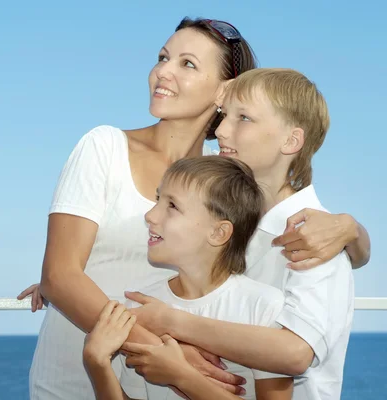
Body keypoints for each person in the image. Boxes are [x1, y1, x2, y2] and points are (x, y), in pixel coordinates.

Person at [18, 18, 371, 400]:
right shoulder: (104, 146)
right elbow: (64, 273)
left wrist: (352, 231)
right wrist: (73, 279)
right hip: (84, 373)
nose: (162, 71)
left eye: (187, 63)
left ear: (225, 90)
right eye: (163, 57)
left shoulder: (223, 180)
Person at [124, 68, 354, 400]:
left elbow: (295, 353)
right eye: (223, 116)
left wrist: (171, 323)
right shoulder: (229, 221)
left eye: (243, 118)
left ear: (291, 140)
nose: (221, 131)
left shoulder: (316, 239)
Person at [83, 156, 294, 400]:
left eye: (172, 206)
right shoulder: (142, 306)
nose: (150, 215)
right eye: (157, 199)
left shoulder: (263, 306)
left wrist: (181, 375)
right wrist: (97, 363)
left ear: (218, 232)